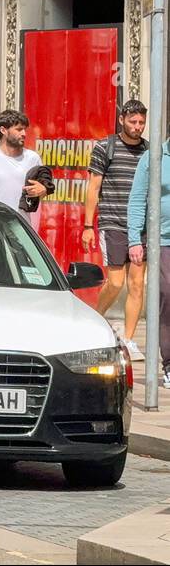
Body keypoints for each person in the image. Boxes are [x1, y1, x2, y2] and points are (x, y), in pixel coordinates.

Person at [84, 100, 150, 359]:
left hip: (141, 225)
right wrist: (88, 225)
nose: (137, 127)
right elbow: (93, 187)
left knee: (136, 285)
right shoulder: (105, 147)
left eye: (141, 123)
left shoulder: (148, 150)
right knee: (115, 281)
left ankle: (130, 339)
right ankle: (94, 319)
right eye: (133, 122)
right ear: (122, 119)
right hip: (112, 221)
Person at [128, 134, 170, 389]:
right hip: (164, 240)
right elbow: (137, 199)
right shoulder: (153, 158)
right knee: (167, 293)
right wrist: (134, 239)